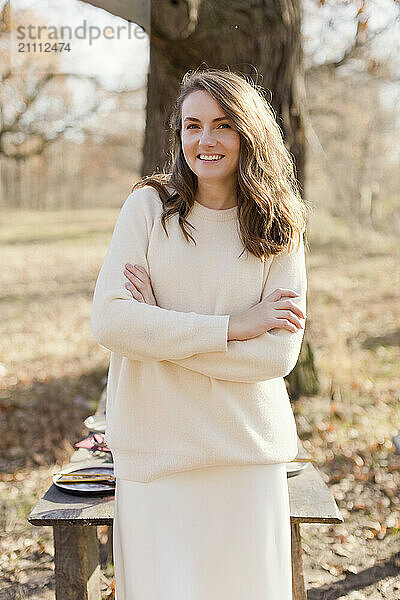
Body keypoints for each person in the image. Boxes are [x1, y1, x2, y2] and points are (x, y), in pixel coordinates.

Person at [91, 68, 308, 600]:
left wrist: (159, 330)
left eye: (222, 125)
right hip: (155, 451)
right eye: (192, 125)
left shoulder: (280, 224)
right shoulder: (147, 208)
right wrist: (233, 327)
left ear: (248, 133)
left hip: (245, 453)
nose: (204, 140)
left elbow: (275, 357)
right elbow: (111, 322)